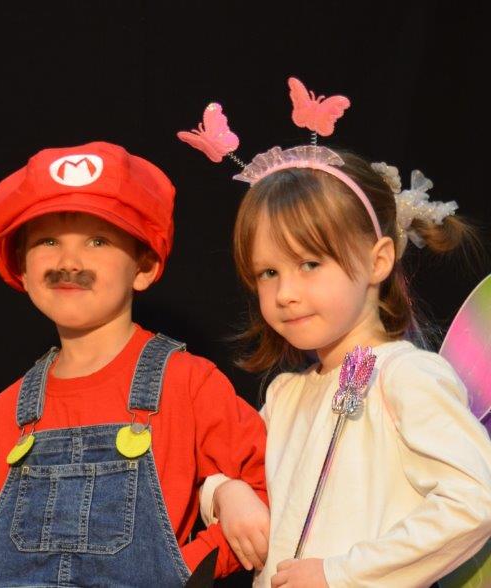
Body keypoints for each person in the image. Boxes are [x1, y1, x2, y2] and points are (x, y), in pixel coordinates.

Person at [184, 78, 491, 587]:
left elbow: (475, 499)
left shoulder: (407, 376)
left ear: (378, 261)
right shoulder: (284, 395)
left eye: (309, 263)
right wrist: (224, 492)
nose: (285, 292)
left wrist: (340, 574)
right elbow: (239, 475)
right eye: (268, 272)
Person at [0, 141, 268, 586]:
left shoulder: (189, 385)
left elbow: (264, 489)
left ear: (144, 266)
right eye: (47, 241)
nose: (68, 262)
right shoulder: (8, 411)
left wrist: (183, 569)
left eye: (98, 240)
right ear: (22, 268)